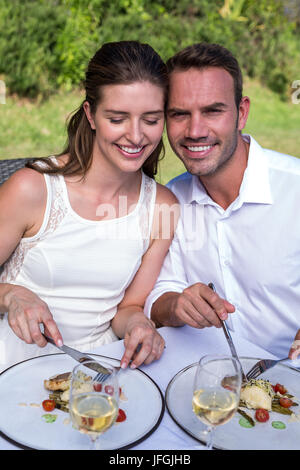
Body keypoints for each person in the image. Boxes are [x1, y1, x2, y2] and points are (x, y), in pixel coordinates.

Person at [0, 41, 179, 373]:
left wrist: (140, 324)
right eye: (117, 118)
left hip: (96, 371)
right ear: (90, 115)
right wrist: (11, 295)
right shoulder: (33, 189)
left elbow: (128, 308)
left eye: (151, 120)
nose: (136, 136)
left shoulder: (162, 207)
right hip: (12, 364)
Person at [146, 42, 300, 361]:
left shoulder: (294, 188)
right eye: (179, 114)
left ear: (241, 113)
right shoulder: (169, 200)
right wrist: (176, 304)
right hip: (206, 380)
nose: (195, 130)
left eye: (213, 111)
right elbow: (159, 295)